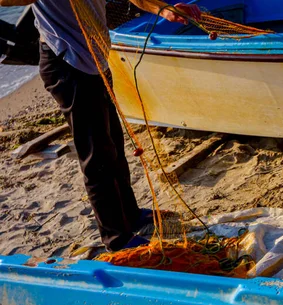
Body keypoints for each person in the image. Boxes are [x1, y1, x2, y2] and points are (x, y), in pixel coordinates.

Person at [0, 0, 201, 251]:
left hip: (96, 58)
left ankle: (131, 215)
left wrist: (164, 9)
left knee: (113, 145)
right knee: (97, 157)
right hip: (68, 64)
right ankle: (117, 239)